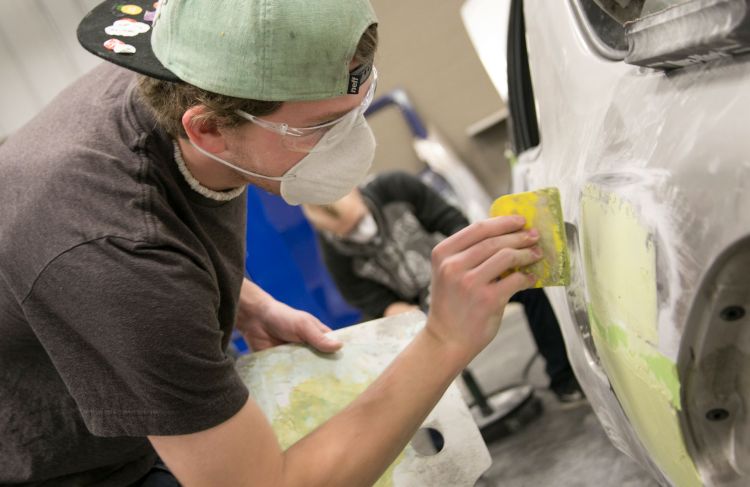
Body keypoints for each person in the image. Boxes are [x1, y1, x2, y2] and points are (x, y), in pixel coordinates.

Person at [0, 1, 544, 486]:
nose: (354, 141)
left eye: (358, 105)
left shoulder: (184, 59)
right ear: (208, 129)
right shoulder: (113, 251)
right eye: (321, 127)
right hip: (57, 461)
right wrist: (445, 338)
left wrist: (240, 296)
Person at [303, 171, 584, 403]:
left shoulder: (398, 187)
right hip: (416, 307)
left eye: (359, 221)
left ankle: (564, 379)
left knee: (527, 286)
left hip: (464, 275)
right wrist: (418, 320)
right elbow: (373, 301)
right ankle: (446, 438)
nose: (360, 232)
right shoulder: (334, 253)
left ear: (358, 193)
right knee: (400, 354)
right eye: (349, 232)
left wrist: (474, 271)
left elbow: (454, 224)